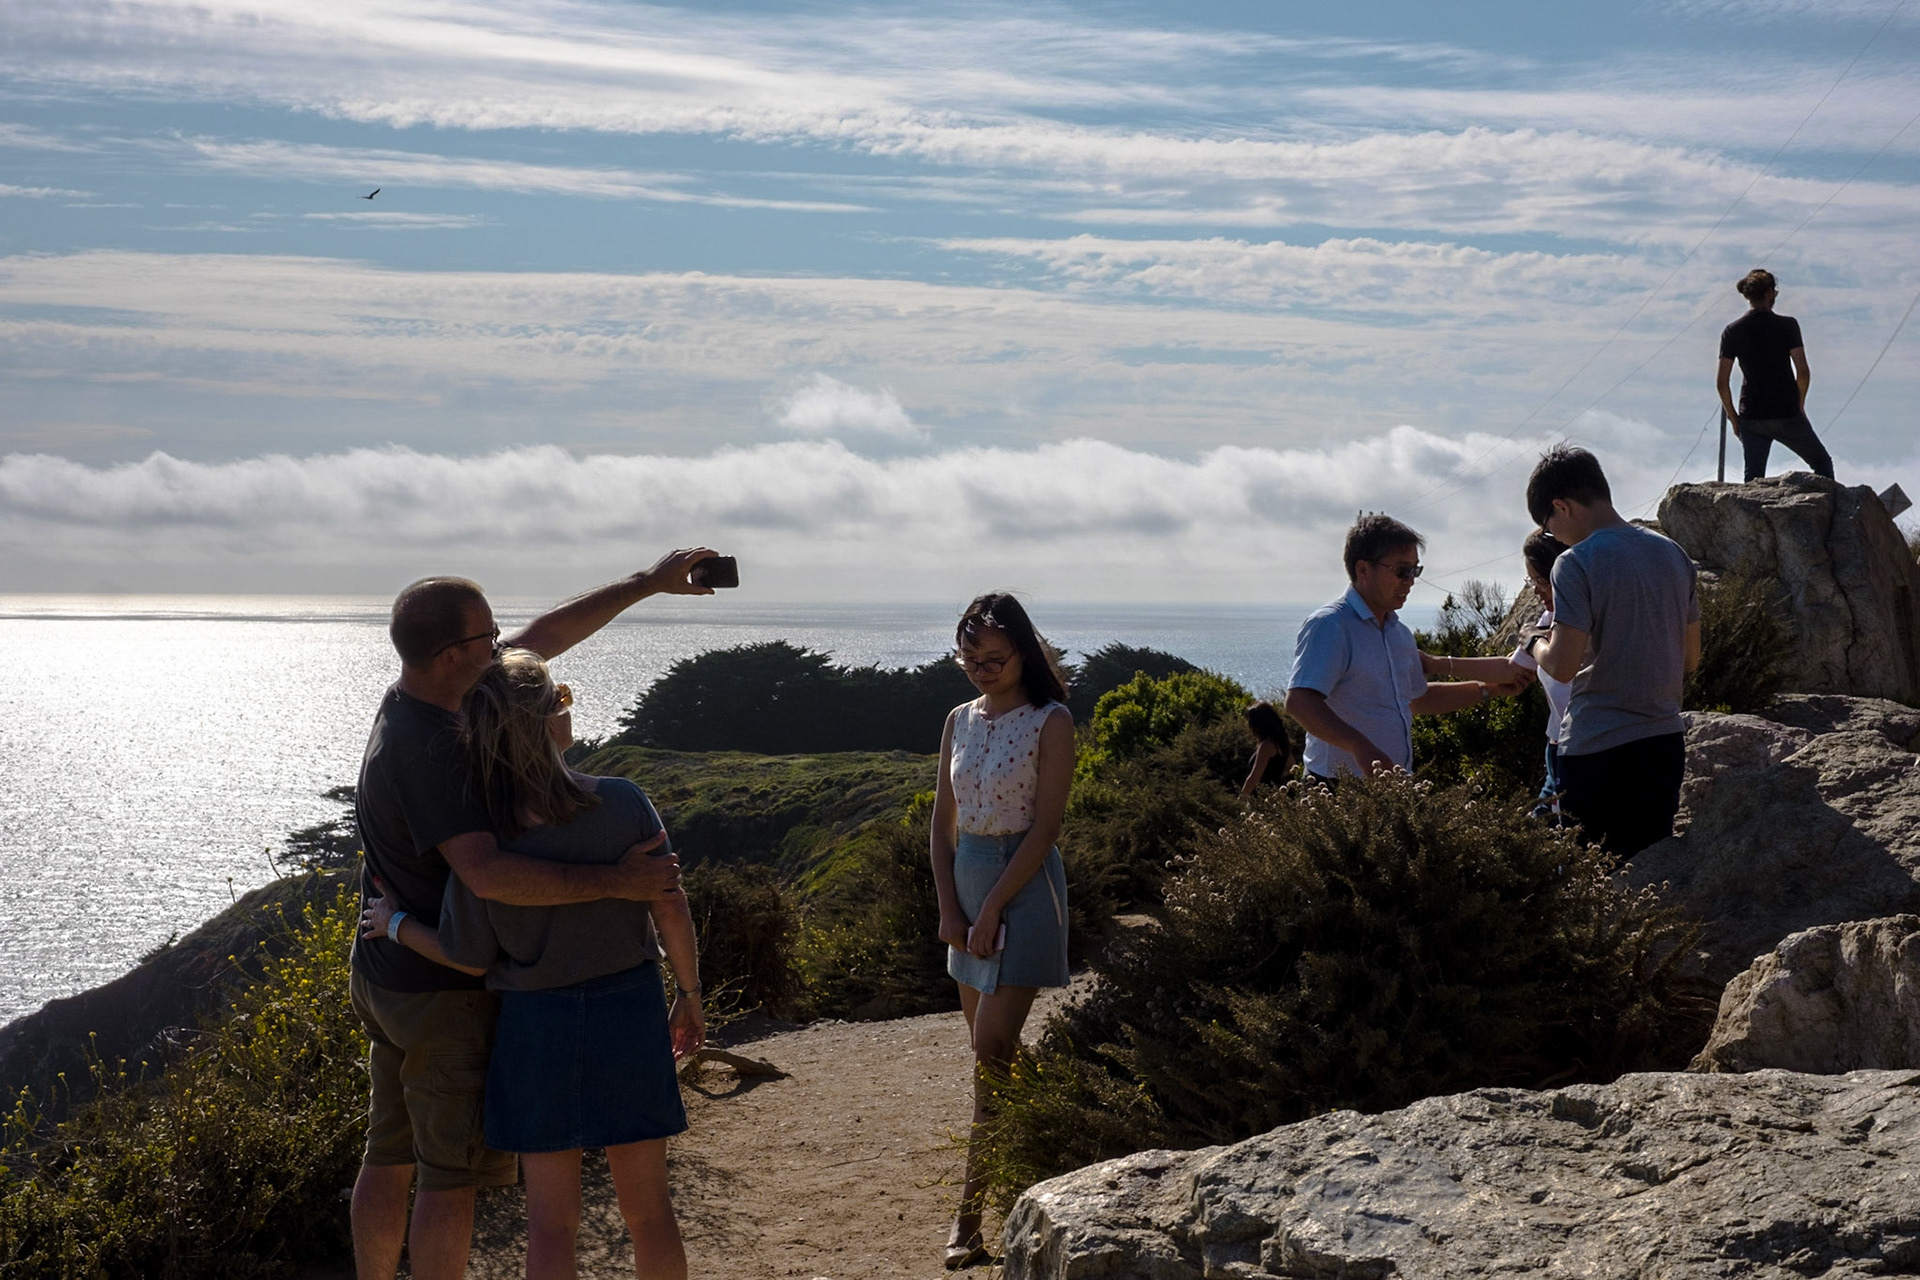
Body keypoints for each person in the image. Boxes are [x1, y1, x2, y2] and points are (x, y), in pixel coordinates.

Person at [351, 549, 716, 1280]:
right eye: (489, 637)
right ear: (454, 654)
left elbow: (541, 640)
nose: (505, 644)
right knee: (449, 1175)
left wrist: (646, 584)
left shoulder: (443, 701)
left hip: (401, 971)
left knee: (394, 1155)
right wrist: (621, 884)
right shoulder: (438, 751)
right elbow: (489, 876)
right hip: (443, 989)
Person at [929, 593, 1073, 1270]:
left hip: (1025, 888)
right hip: (968, 883)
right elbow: (941, 826)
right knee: (996, 1067)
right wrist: (952, 909)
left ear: (1024, 652)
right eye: (970, 659)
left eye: (995, 657)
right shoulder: (958, 720)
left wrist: (989, 911)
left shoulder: (1052, 720)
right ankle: (1051, 1141)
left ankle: (967, 1221)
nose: (982, 669)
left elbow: (1046, 830)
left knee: (990, 1057)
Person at [1527, 446, 1700, 859]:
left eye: (1548, 528)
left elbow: (1564, 666)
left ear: (1560, 507)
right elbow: (1691, 660)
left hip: (1596, 750)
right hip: (1662, 744)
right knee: (1649, 879)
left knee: (1592, 888)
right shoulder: (1673, 553)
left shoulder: (1574, 562)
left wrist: (1534, 644)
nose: (1554, 538)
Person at [1285, 514, 1529, 785]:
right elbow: (1300, 701)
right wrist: (1359, 746)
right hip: (1335, 786)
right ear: (1363, 569)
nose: (1411, 581)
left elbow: (1416, 699)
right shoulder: (1330, 625)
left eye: (1415, 570)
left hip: (1392, 784)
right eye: (1402, 570)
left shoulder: (1398, 634)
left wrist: (1490, 689)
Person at [1717, 268, 1833, 483]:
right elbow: (1803, 372)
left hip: (1751, 414)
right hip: (1786, 411)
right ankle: (1832, 515)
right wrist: (1799, 405)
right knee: (1821, 463)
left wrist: (1734, 418)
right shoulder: (1787, 325)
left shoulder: (1732, 330)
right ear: (1770, 292)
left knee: (1753, 479)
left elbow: (1722, 382)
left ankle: (1752, 517)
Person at [1504, 529, 1574, 819]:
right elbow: (1512, 667)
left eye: (1541, 581)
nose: (1536, 590)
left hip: (1578, 753)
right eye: (1531, 582)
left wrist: (1534, 640)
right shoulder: (1548, 618)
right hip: (1555, 750)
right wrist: (1438, 664)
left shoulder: (1579, 620)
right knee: (1534, 838)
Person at [1239, 700, 1294, 797]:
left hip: (1263, 797)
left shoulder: (1266, 746)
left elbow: (1254, 777)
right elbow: (1291, 767)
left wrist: (1241, 800)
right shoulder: (1281, 743)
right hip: (1275, 795)